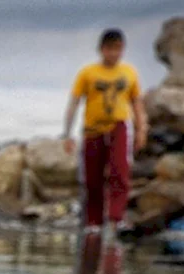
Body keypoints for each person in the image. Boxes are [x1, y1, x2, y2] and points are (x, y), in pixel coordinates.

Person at [63, 29, 148, 235]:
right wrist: (67, 134)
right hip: (93, 129)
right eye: (110, 49)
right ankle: (93, 222)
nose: (114, 54)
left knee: (120, 171)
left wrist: (141, 128)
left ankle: (116, 218)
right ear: (102, 50)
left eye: (118, 49)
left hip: (118, 126)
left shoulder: (129, 73)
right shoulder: (88, 73)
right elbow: (74, 102)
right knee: (92, 178)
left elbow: (136, 101)